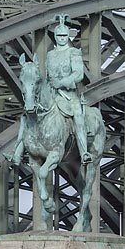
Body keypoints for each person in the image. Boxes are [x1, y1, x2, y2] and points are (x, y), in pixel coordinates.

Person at [45, 14, 91, 164]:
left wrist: (63, 81)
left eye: (65, 35)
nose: (62, 38)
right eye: (59, 35)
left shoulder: (74, 53)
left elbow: (79, 73)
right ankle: (19, 149)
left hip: (69, 96)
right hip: (53, 95)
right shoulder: (50, 55)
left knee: (78, 117)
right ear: (55, 36)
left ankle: (84, 152)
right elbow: (46, 76)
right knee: (30, 115)